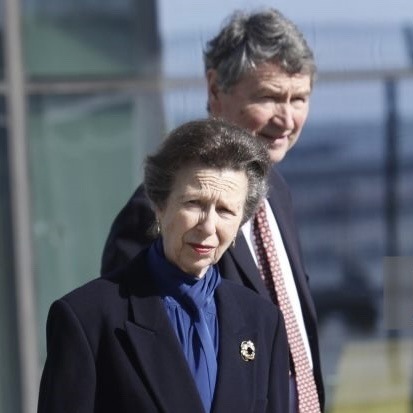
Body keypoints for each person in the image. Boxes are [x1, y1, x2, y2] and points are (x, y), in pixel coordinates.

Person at [101, 8, 324, 412]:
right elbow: (139, 372)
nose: (287, 119)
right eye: (269, 97)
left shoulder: (277, 192)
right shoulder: (154, 215)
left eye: (300, 99)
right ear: (215, 88)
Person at [37, 119, 289, 413]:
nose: (208, 226)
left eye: (225, 210)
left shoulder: (262, 321)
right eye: (194, 203)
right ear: (159, 205)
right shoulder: (88, 318)